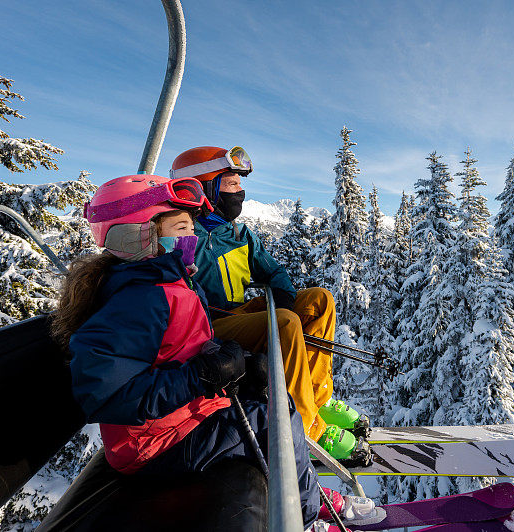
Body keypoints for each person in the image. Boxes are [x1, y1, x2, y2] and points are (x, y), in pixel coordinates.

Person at [50, 174, 354, 530]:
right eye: (180, 228)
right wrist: (200, 376)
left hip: (180, 420)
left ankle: (305, 498)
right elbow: (103, 394)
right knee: (274, 419)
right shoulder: (138, 300)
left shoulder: (165, 283)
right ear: (138, 235)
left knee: (272, 402)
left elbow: (181, 347)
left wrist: (233, 365)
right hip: (154, 444)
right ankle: (305, 515)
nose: (191, 238)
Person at [170, 146, 369, 460]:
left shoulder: (237, 233)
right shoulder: (180, 236)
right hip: (207, 327)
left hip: (238, 313)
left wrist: (286, 298)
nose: (241, 193)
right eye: (232, 185)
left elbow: (272, 270)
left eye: (239, 185)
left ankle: (316, 398)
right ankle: (306, 428)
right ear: (204, 186)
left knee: (319, 301)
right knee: (283, 323)